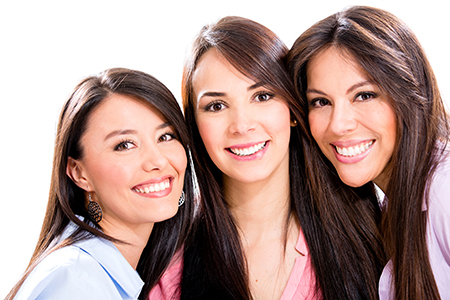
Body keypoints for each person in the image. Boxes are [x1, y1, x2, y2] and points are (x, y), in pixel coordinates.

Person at [152, 16, 383, 300]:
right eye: (216, 105)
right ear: (195, 126)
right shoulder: (170, 262)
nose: (242, 125)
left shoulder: (369, 227)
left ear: (293, 109)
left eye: (262, 96)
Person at [287, 5, 450, 300]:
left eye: (364, 95)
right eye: (321, 102)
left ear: (409, 94)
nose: (339, 125)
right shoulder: (390, 208)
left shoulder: (444, 188)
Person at [6, 68, 195, 300]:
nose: (157, 161)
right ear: (78, 173)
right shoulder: (75, 281)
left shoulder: (106, 272)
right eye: (125, 145)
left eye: (165, 136)